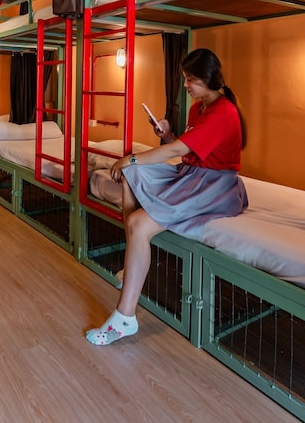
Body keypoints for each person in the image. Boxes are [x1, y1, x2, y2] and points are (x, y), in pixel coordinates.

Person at [86, 48, 248, 346]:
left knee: (138, 217)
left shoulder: (224, 112)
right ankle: (133, 260)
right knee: (132, 177)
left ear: (208, 78)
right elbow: (185, 147)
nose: (186, 85)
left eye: (191, 79)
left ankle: (124, 317)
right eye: (185, 78)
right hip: (192, 175)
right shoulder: (198, 109)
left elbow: (177, 151)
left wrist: (131, 158)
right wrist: (167, 134)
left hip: (213, 187)